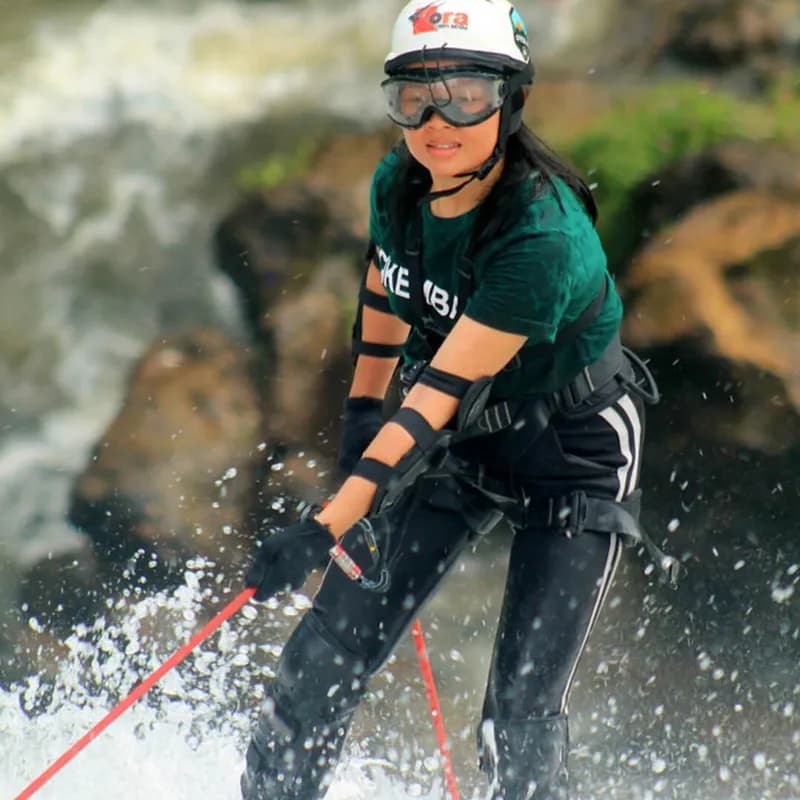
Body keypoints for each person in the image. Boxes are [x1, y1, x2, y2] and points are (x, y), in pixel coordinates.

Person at [240, 1, 673, 798]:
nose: (438, 120)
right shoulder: (398, 182)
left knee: (516, 719)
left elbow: (438, 391)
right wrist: (361, 419)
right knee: (324, 654)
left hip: (573, 452)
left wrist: (326, 522)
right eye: (414, 95)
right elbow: (386, 282)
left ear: (511, 100)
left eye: (467, 93)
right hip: (460, 437)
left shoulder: (541, 238)